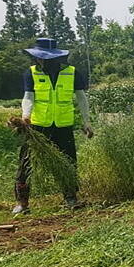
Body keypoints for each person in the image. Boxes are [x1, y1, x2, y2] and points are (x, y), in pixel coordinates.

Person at [13, 38, 94, 214]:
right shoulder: (31, 73)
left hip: (63, 126)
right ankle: (22, 203)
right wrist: (25, 116)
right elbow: (28, 97)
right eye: (39, 57)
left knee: (68, 162)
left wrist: (87, 121)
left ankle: (71, 198)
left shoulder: (72, 73)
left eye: (46, 58)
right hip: (37, 127)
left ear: (56, 58)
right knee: (26, 163)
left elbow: (81, 98)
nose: (42, 61)